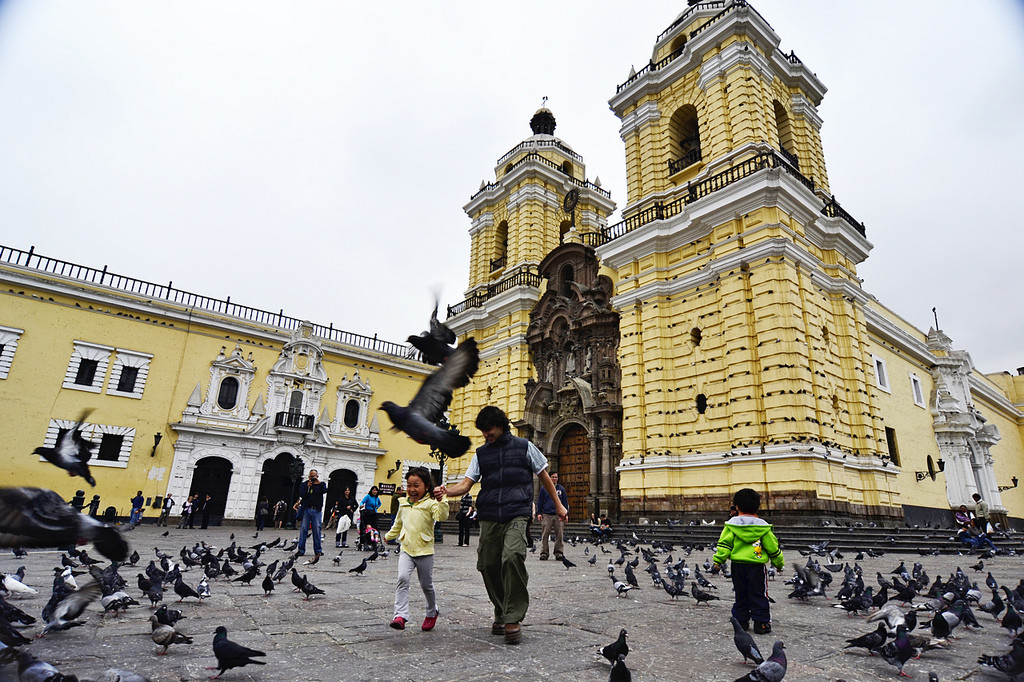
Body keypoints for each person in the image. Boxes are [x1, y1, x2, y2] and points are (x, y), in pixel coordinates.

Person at [439, 405, 567, 645]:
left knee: (512, 556)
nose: (486, 435)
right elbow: (466, 484)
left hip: (517, 513)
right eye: (483, 432)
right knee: (487, 564)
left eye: (488, 430)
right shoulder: (481, 454)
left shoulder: (524, 447)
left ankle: (513, 617)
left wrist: (559, 506)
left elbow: (544, 477)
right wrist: (446, 491)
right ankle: (501, 610)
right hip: (489, 515)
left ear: (500, 425)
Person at [711, 488, 785, 636]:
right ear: (757, 506)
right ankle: (761, 623)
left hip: (738, 566)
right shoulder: (762, 526)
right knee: (759, 593)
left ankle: (741, 621)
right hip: (757, 566)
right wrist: (778, 563)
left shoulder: (732, 525)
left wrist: (718, 561)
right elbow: (772, 548)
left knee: (741, 593)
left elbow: (724, 545)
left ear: (737, 507)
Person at [385, 467, 449, 631]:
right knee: (402, 579)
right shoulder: (403, 503)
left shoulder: (430, 504)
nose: (412, 489)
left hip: (425, 551)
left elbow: (442, 516)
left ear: (426, 486)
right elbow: (398, 524)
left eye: (416, 485)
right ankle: (400, 616)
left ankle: (431, 612)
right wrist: (389, 536)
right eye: (409, 485)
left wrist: (442, 500)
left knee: (426, 585)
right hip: (406, 549)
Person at [292, 468, 327, 563]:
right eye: (311, 476)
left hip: (317, 510)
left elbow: (325, 491)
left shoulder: (321, 484)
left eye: (314, 476)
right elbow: (302, 494)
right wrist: (308, 487)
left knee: (317, 530)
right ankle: (301, 550)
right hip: (306, 509)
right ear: (309, 476)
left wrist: (318, 483)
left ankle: (318, 550)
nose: (313, 478)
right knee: (303, 530)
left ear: (317, 476)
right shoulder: (304, 484)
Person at [536, 471, 568, 561]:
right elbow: (540, 501)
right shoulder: (543, 489)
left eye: (556, 477)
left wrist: (566, 514)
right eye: (553, 477)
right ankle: (544, 553)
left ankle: (559, 553)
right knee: (545, 535)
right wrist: (539, 513)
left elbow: (565, 502)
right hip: (547, 514)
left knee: (559, 535)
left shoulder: (561, 489)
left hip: (558, 515)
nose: (554, 479)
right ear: (549, 478)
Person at [359, 486, 382, 551]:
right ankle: (367, 540)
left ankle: (374, 541)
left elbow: (380, 503)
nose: (375, 492)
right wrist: (361, 505)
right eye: (373, 490)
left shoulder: (377, 498)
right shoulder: (368, 496)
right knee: (368, 527)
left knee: (375, 527)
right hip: (367, 513)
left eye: (376, 490)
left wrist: (377, 506)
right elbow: (362, 502)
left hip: (374, 514)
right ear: (371, 491)